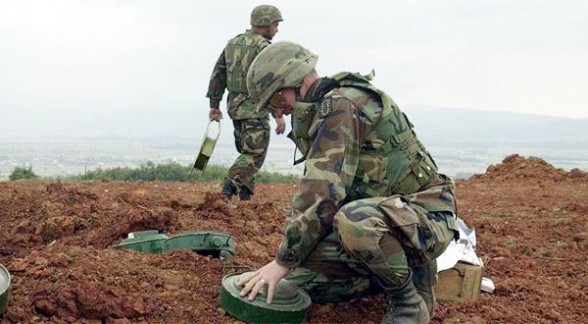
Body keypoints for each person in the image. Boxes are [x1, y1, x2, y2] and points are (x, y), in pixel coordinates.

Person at [237, 41, 460, 324]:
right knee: (305, 272)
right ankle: (392, 274)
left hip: (425, 219)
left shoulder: (342, 105)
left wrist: (282, 262)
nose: (280, 111)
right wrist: (292, 259)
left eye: (278, 100)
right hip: (392, 218)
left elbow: (322, 195)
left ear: (296, 81)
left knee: (353, 221)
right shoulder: (321, 107)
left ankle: (408, 303)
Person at [206, 5, 285, 201]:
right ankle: (227, 189)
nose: (277, 29)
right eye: (275, 24)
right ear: (266, 24)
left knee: (245, 151)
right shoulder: (265, 48)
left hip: (234, 106)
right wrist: (279, 114)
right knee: (254, 154)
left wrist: (214, 105)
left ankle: (245, 197)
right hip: (255, 108)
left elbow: (218, 74)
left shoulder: (232, 44)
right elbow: (271, 84)